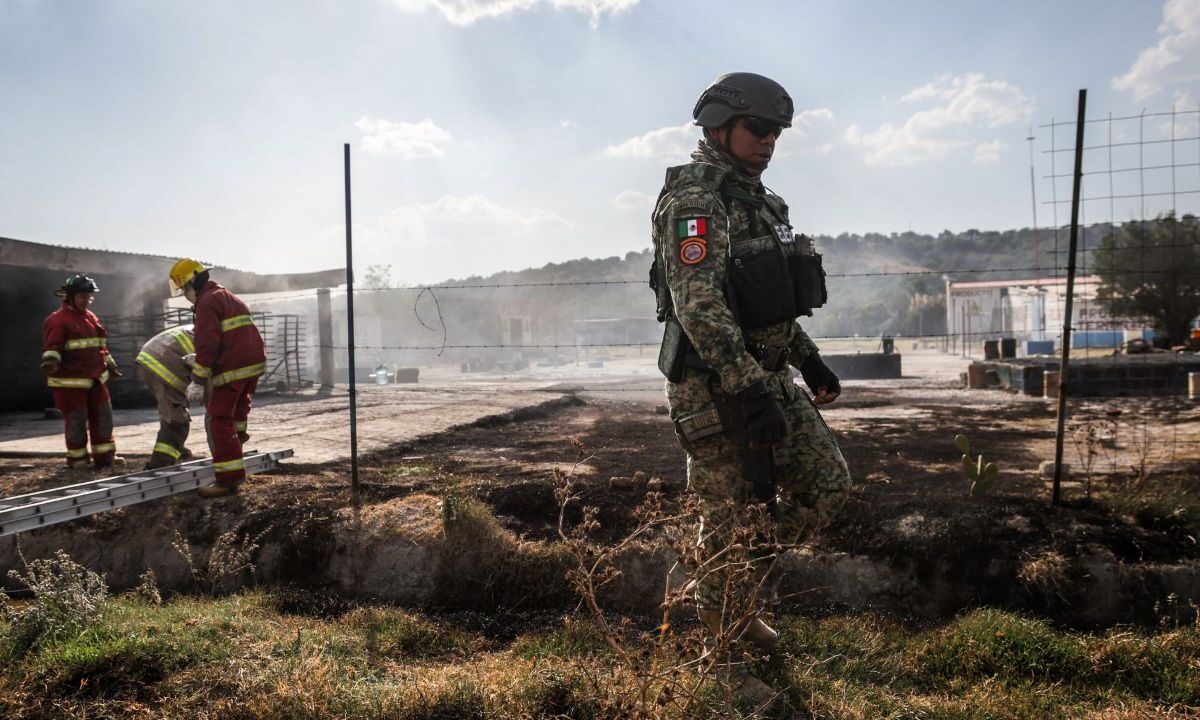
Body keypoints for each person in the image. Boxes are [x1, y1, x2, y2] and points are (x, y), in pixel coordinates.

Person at [649, 72, 852, 698]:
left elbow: (770, 305)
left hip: (767, 376)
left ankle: (733, 601)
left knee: (825, 489)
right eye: (758, 128)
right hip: (714, 388)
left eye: (777, 132)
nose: (769, 141)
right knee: (728, 520)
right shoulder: (695, 199)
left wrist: (808, 360)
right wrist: (746, 387)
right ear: (718, 128)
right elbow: (699, 304)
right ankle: (722, 659)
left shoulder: (765, 204)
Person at [168, 259, 266, 498]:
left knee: (218, 420)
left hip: (231, 367)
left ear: (193, 282)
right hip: (252, 364)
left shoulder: (207, 302)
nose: (185, 296)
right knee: (239, 410)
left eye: (184, 290)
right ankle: (237, 441)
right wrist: (202, 357)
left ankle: (228, 480)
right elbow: (230, 335)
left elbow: (208, 342)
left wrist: (198, 380)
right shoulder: (227, 295)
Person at [40, 274, 124, 472]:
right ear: (69, 296)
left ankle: (105, 457)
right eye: (82, 296)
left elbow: (101, 346)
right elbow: (53, 347)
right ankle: (77, 459)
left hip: (96, 379)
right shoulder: (57, 320)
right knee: (77, 421)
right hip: (71, 383)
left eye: (89, 296)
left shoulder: (90, 317)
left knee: (104, 418)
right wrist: (50, 361)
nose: (86, 300)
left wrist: (110, 365)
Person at [135, 324, 199, 469]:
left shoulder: (202, 327)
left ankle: (177, 449)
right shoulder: (216, 339)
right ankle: (160, 463)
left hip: (149, 360)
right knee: (177, 420)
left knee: (170, 410)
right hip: (164, 367)